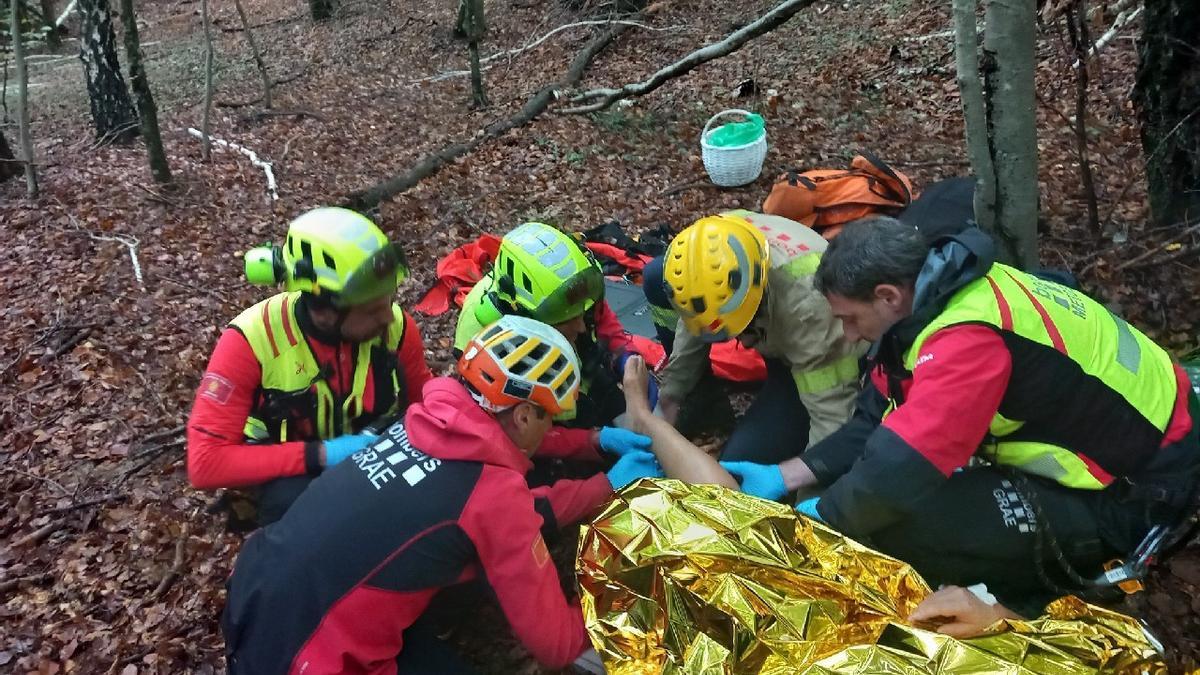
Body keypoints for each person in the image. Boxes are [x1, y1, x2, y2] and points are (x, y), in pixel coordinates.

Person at [715, 216, 1199, 612]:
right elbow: (875, 419)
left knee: (902, 524)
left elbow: (900, 470)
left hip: (1140, 492)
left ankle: (1027, 600)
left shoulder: (966, 340)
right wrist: (786, 474)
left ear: (886, 295)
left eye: (849, 318)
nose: (847, 336)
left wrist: (817, 524)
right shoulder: (930, 304)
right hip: (1133, 447)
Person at [220, 315, 662, 674]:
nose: (551, 429)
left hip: (256, 609)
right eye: (549, 419)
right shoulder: (489, 494)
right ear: (525, 416)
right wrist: (631, 602)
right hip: (315, 661)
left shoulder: (422, 423)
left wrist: (597, 450)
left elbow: (515, 502)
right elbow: (558, 644)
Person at [186, 207, 433, 527]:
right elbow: (206, 463)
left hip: (373, 455)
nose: (387, 317)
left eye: (388, 300)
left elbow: (424, 403)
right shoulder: (253, 340)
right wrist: (322, 455)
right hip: (289, 472)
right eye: (372, 310)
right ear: (323, 308)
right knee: (297, 506)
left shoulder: (397, 329)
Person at [652, 211, 865, 462]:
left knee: (741, 459)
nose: (739, 341)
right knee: (655, 275)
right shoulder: (710, 250)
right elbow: (700, 311)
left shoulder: (810, 310)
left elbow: (832, 418)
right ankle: (704, 408)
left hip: (812, 356)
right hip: (774, 323)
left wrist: (810, 484)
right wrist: (671, 394)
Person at [454, 221, 655, 465]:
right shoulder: (488, 340)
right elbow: (514, 434)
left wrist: (623, 356)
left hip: (581, 365)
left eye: (581, 314)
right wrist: (592, 440)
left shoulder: (573, 286)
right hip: (531, 409)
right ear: (524, 317)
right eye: (566, 321)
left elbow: (599, 315)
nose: (580, 326)